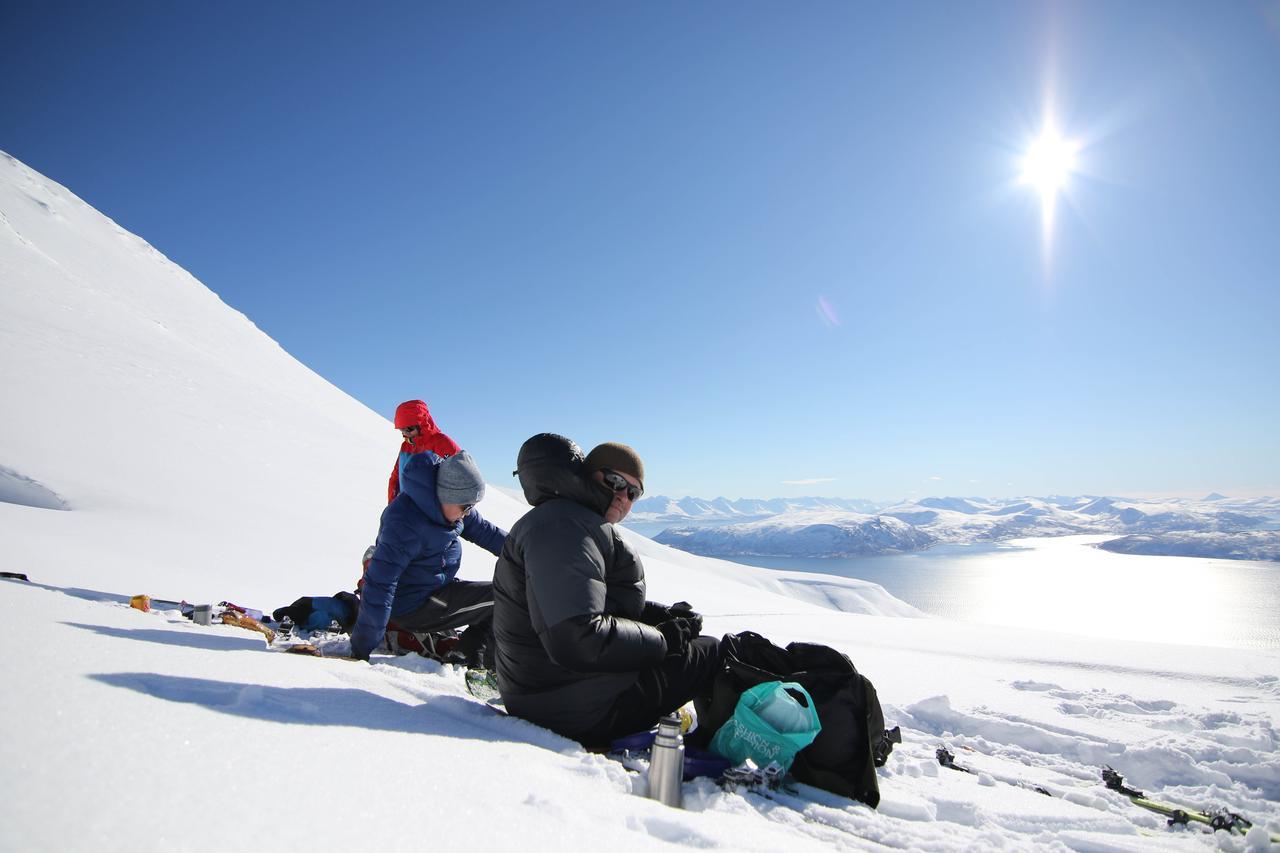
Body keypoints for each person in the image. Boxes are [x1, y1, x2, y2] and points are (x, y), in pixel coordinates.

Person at [492, 434, 720, 747]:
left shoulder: (570, 522)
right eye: (614, 481)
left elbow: (589, 601)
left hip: (552, 692)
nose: (623, 495)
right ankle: (722, 747)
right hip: (572, 711)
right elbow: (578, 638)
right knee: (710, 652)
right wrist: (663, 639)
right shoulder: (564, 528)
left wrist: (657, 617)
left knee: (695, 645)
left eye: (634, 492)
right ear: (588, 475)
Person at [349, 449, 506, 665]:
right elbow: (381, 584)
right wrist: (360, 650)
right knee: (504, 598)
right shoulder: (406, 524)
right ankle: (475, 661)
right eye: (467, 506)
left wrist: (527, 554)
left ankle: (465, 652)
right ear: (447, 495)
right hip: (412, 605)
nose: (468, 513)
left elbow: (486, 532)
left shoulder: (448, 506)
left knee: (504, 595)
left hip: (433, 589)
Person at [388, 399, 460, 503]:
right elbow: (395, 477)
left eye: (408, 429)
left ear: (422, 423)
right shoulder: (406, 446)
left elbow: (462, 478)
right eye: (402, 430)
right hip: (408, 509)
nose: (405, 434)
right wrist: (392, 504)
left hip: (435, 511)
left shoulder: (442, 443)